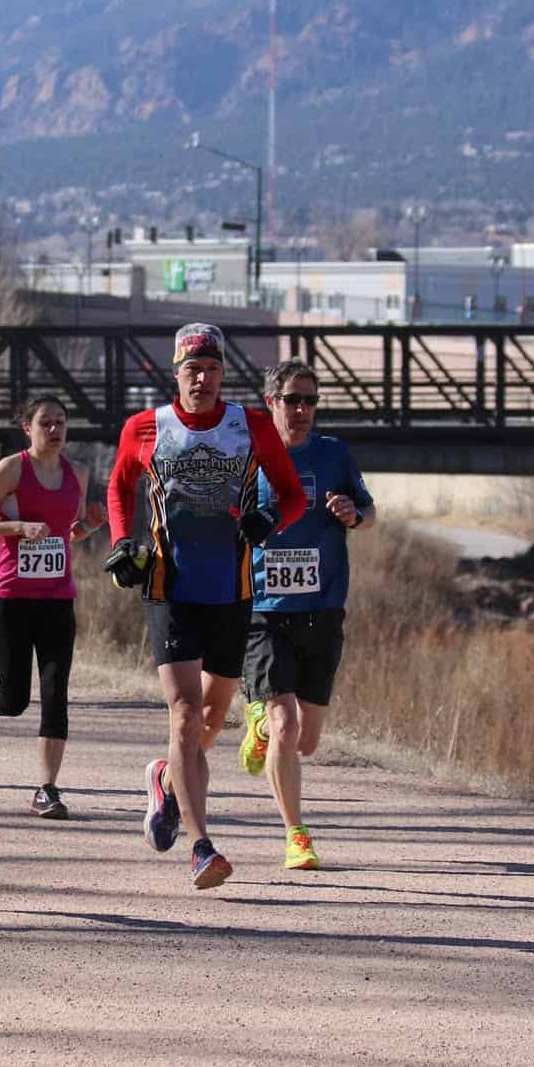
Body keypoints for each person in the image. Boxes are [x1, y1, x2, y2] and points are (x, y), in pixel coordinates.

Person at [106, 323, 306, 890]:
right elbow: (119, 488)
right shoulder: (145, 427)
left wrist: (271, 521)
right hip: (169, 589)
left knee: (212, 720)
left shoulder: (252, 427)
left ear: (222, 374)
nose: (202, 378)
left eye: (212, 369)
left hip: (232, 592)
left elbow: (291, 496)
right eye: (192, 369)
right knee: (186, 716)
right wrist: (123, 542)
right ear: (177, 372)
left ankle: (166, 779)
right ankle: (201, 847)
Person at [235, 360, 375, 871]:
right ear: (270, 402)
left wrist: (353, 515)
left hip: (323, 609)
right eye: (292, 400)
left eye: (310, 401)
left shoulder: (334, 454)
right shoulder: (247, 457)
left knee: (308, 740)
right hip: (264, 610)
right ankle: (296, 835)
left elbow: (369, 511)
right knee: (287, 723)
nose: (301, 410)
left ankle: (261, 729)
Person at [0, 396, 103, 820]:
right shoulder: (12, 468)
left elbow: (67, 533)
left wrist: (89, 527)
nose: (55, 429)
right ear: (28, 427)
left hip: (58, 600)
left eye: (61, 422)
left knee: (56, 693)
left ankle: (47, 788)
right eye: (46, 422)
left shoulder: (77, 474)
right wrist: (17, 528)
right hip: (10, 600)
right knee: (17, 699)